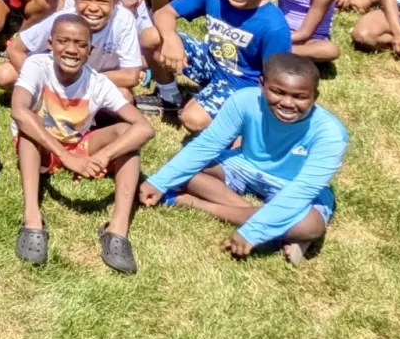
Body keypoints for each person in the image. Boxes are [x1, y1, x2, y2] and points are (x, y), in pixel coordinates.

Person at [140, 53, 347, 264]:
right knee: (180, 163)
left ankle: (192, 203)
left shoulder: (330, 133)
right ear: (262, 85)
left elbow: (303, 189)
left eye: (299, 97)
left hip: (292, 184)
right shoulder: (245, 100)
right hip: (244, 165)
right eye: (277, 92)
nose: (287, 103)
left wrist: (253, 231)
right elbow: (207, 145)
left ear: (315, 96)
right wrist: (159, 182)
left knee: (310, 226)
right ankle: (278, 227)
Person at [10, 13, 152, 272]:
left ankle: (117, 231)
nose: (71, 50)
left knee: (127, 136)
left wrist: (104, 155)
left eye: (80, 44)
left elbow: (145, 128)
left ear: (90, 49)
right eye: (63, 41)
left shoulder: (97, 82)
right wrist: (66, 158)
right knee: (30, 125)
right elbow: (19, 110)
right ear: (50, 44)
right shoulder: (37, 65)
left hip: (77, 144)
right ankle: (32, 218)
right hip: (41, 146)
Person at [152, 0, 292, 131]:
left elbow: (277, 79)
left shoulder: (274, 26)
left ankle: (239, 125)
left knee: (192, 119)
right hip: (211, 60)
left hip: (244, 82)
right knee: (152, 36)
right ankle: (169, 96)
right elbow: (164, 13)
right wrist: (170, 39)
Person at [0, 0, 145, 99]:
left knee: (123, 95)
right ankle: (43, 100)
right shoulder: (63, 19)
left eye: (103, 1)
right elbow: (15, 48)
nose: (93, 7)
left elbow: (130, 75)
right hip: (59, 76)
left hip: (98, 79)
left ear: (116, 2)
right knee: (5, 75)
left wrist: (77, 81)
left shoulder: (124, 19)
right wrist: (39, 83)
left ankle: (93, 119)